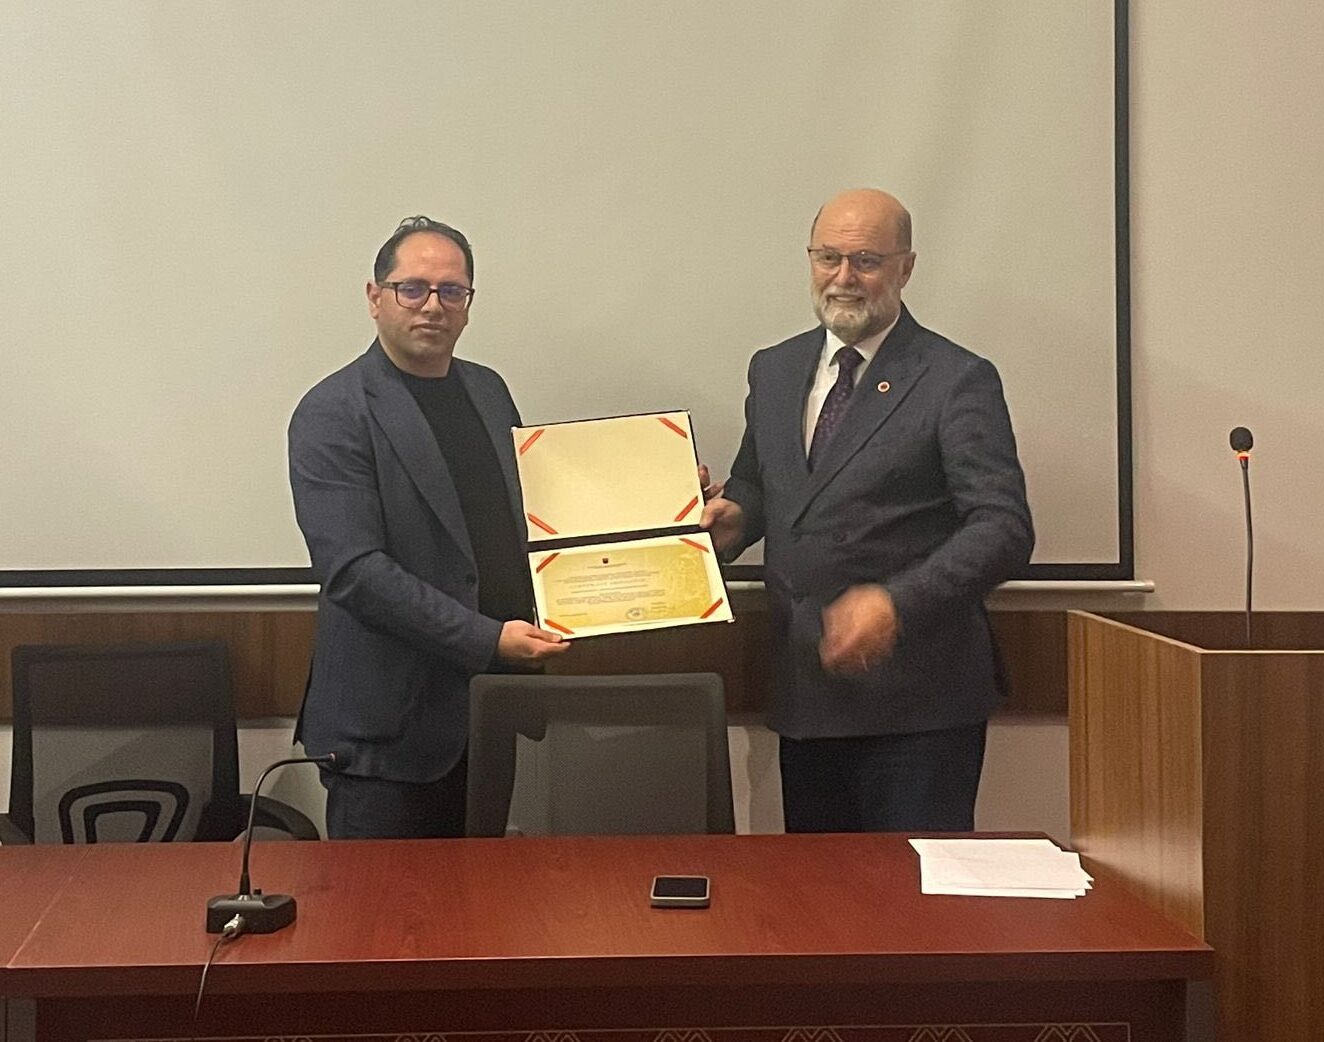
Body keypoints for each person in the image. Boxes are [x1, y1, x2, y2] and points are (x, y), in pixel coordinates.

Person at [701, 189, 1033, 833]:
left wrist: (893, 603)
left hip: (918, 707)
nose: (844, 277)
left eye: (867, 261)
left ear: (906, 268)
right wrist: (737, 516)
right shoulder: (774, 369)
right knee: (818, 892)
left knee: (911, 896)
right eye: (828, 257)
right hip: (807, 691)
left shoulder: (955, 377)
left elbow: (1004, 528)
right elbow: (762, 482)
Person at [288, 216, 568, 839]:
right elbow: (355, 573)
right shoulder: (333, 411)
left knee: (484, 896)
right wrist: (488, 639)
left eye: (452, 291)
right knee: (383, 903)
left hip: (490, 711)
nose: (433, 306)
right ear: (375, 297)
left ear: (468, 302)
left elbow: (533, 512)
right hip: (387, 733)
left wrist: (665, 502)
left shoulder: (488, 391)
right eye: (412, 289)